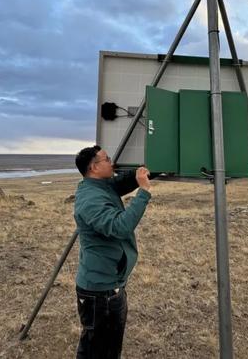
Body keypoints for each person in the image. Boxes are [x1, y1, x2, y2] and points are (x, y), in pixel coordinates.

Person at [73, 145, 153, 359]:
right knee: (95, 349)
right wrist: (143, 193)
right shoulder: (90, 199)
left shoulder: (102, 185)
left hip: (110, 285)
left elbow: (122, 181)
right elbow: (119, 227)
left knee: (108, 347)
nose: (112, 162)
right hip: (99, 293)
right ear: (94, 167)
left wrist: (151, 167)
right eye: (107, 159)